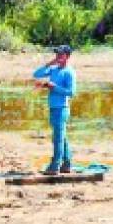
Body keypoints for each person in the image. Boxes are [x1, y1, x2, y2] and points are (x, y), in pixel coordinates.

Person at [32, 44, 76, 175]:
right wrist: (49, 63)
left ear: (67, 57)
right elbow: (36, 74)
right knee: (62, 137)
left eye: (61, 55)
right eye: (57, 54)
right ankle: (67, 164)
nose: (58, 57)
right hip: (53, 108)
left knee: (58, 139)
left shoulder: (69, 72)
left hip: (62, 109)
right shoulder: (54, 69)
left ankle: (55, 166)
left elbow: (71, 92)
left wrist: (53, 87)